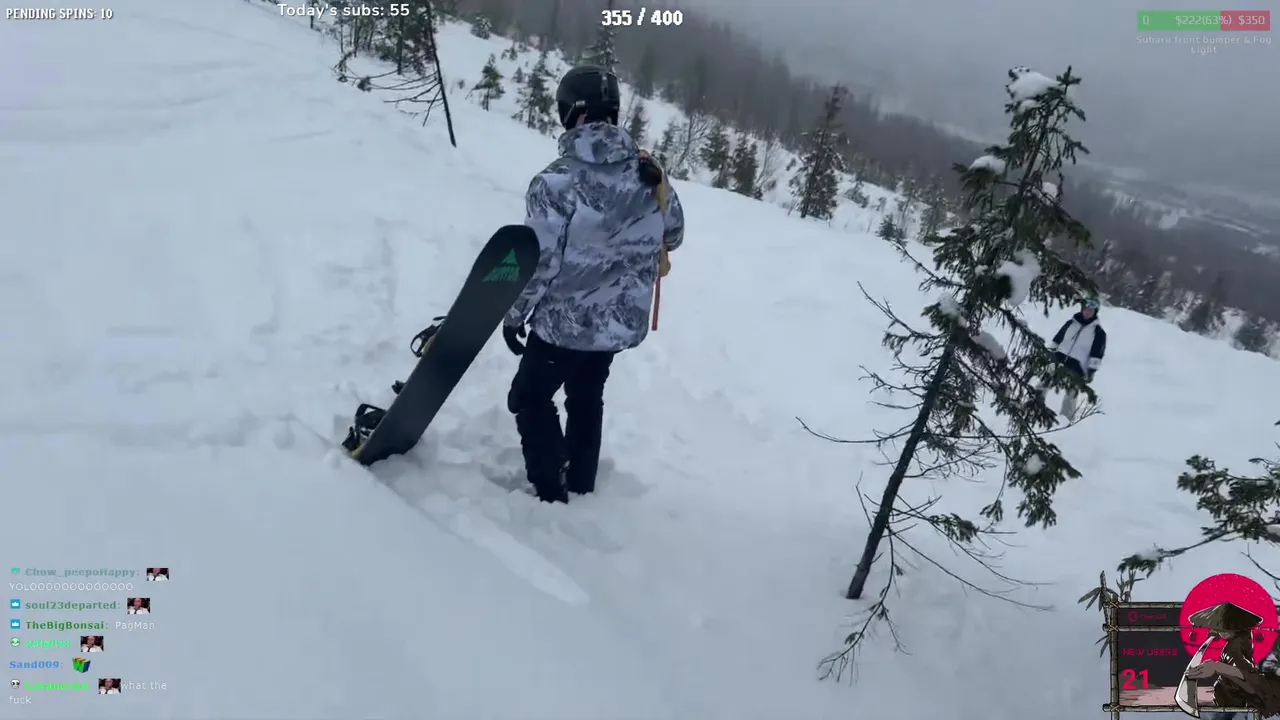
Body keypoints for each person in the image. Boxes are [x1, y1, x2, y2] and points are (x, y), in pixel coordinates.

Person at [501, 64, 685, 504]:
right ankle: (581, 483)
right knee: (586, 396)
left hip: (563, 325)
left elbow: (540, 261)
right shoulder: (648, 171)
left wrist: (514, 314)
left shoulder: (556, 181)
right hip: (616, 323)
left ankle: (551, 491)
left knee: (528, 397)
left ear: (573, 113)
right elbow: (674, 234)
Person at [1048, 296, 1107, 419]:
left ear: (1095, 312)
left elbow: (1097, 355)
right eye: (1085, 309)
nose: (1087, 312)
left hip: (1077, 367)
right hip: (1059, 359)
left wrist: (1091, 372)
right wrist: (1050, 354)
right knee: (1043, 383)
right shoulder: (1071, 323)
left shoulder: (1099, 332)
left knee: (1071, 395)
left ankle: (1066, 418)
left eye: (1091, 310)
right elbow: (1057, 339)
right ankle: (1033, 405)